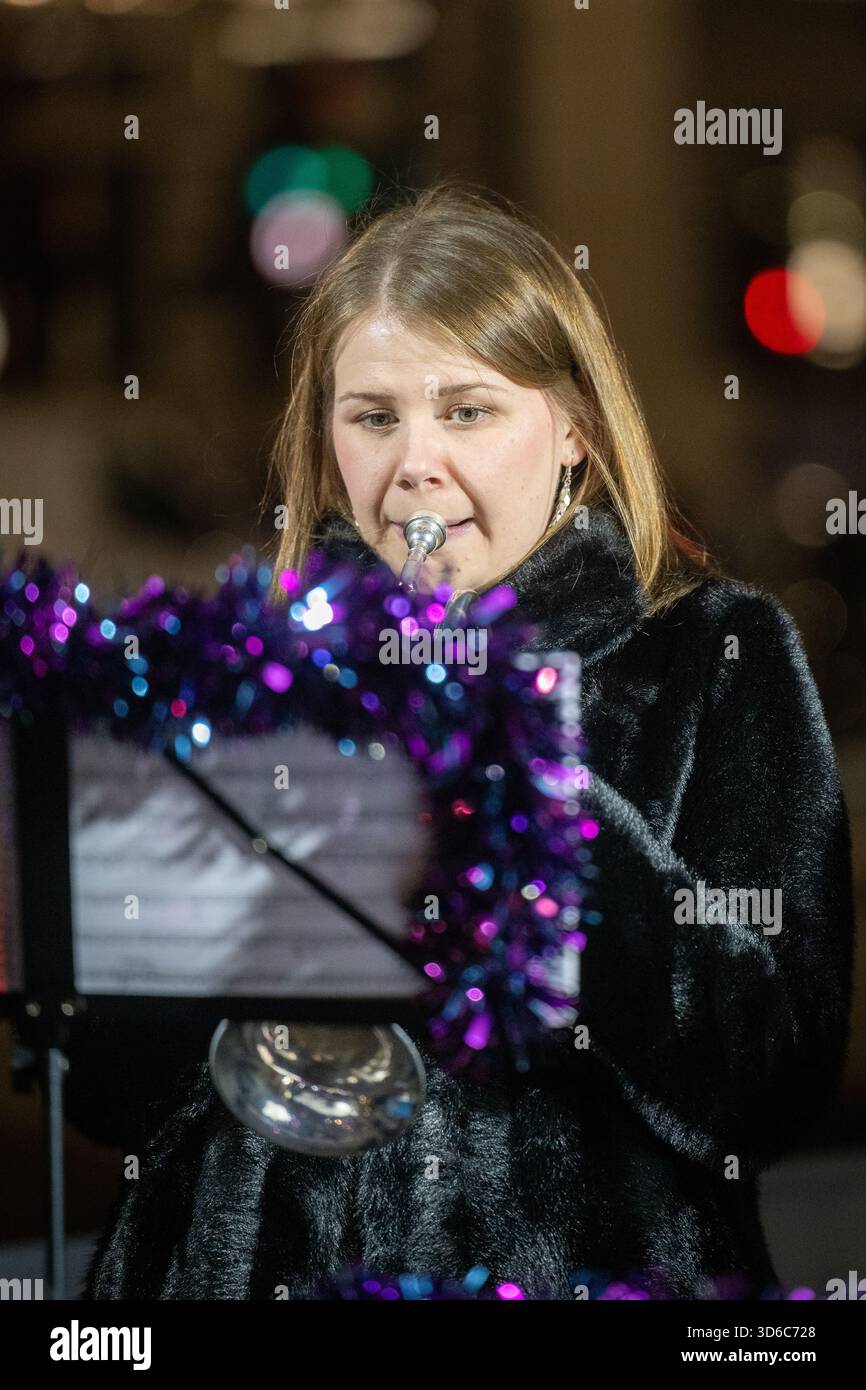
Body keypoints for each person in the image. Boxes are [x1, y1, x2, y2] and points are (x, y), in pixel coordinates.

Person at [70, 180, 854, 1300]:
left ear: (573, 426)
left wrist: (531, 785)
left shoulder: (712, 656)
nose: (415, 464)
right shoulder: (257, 674)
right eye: (374, 416)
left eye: (467, 410)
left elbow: (772, 1076)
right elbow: (111, 1099)